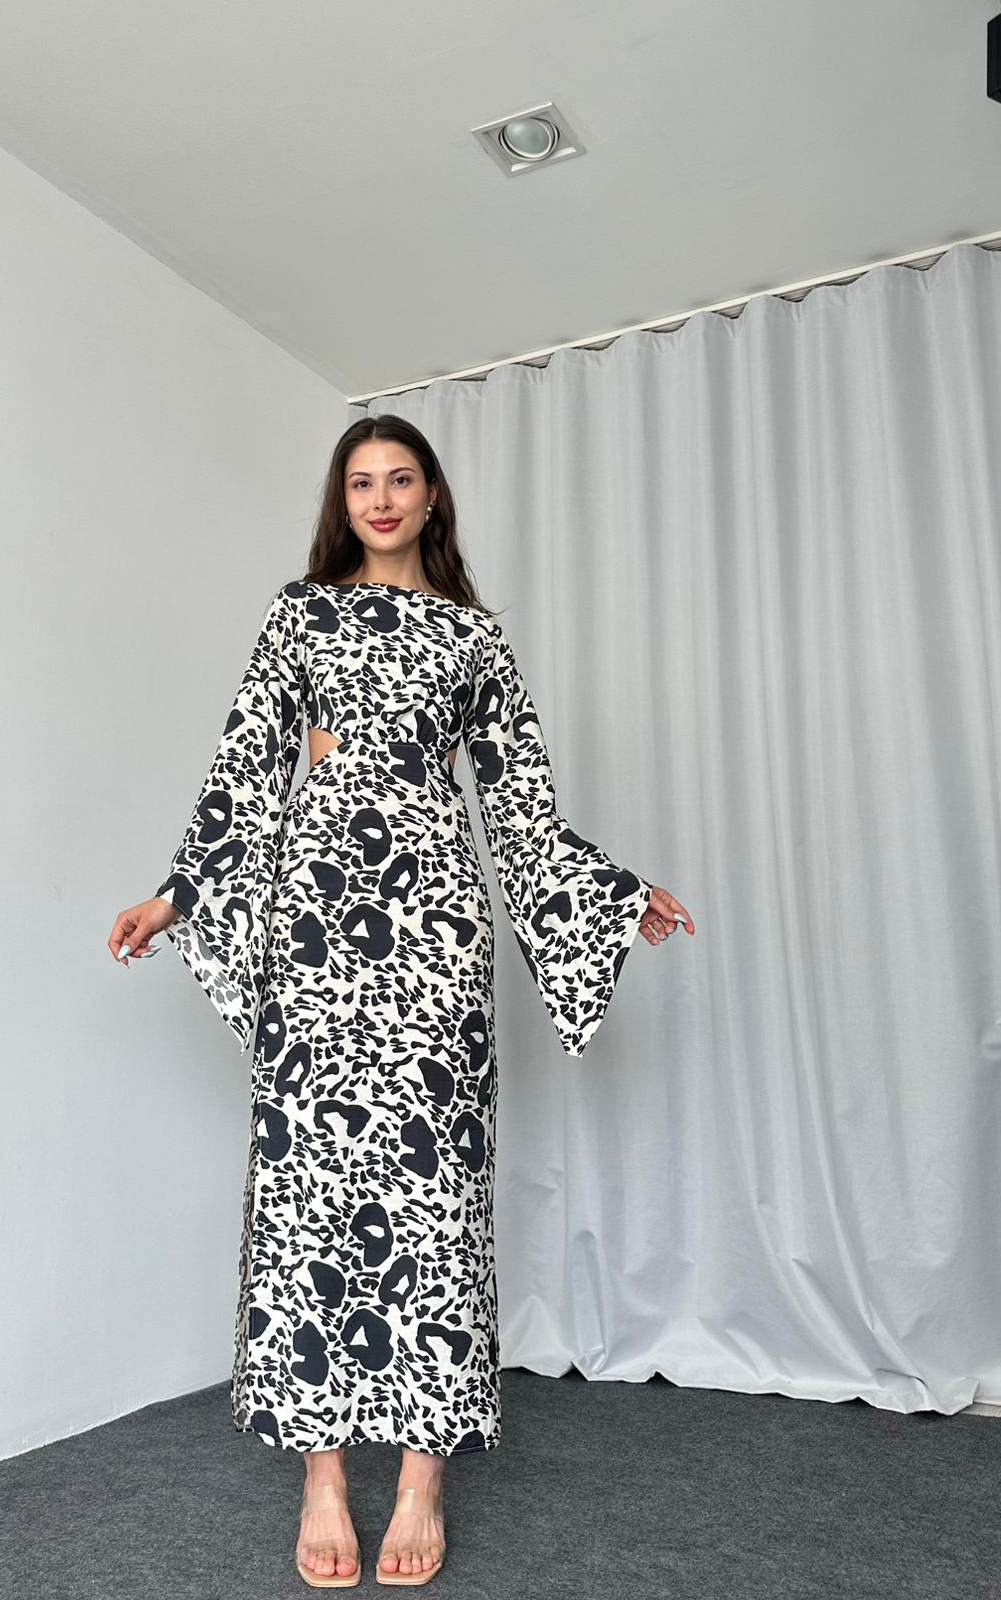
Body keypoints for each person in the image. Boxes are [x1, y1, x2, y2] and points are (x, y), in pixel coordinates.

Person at [109, 414, 694, 1588]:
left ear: (433, 497)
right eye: (360, 482)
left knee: (437, 1188)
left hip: (436, 930)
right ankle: (323, 1475)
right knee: (309, 1183)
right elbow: (245, 767)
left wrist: (610, 895)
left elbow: (520, 806)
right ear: (344, 502)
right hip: (316, 925)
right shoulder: (299, 615)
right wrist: (178, 896)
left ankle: (423, 1477)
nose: (380, 498)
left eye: (401, 479)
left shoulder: (476, 639)